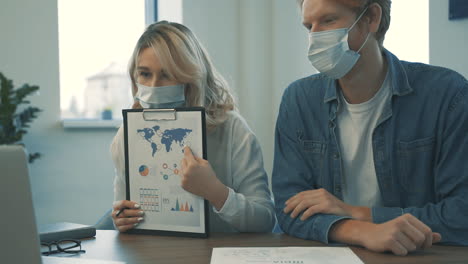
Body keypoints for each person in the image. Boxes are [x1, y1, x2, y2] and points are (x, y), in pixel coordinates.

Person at [273, 0, 468, 256]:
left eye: (329, 20)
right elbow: (290, 210)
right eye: (309, 26)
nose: (315, 37)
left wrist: (355, 212)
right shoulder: (298, 100)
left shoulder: (446, 94)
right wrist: (364, 231)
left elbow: (461, 214)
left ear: (371, 18)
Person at [110, 21, 275, 233]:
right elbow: (122, 209)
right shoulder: (128, 134)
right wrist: (122, 218)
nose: (153, 87)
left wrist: (216, 192)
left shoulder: (233, 129)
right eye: (144, 74)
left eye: (167, 74)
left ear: (191, 76)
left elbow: (265, 220)